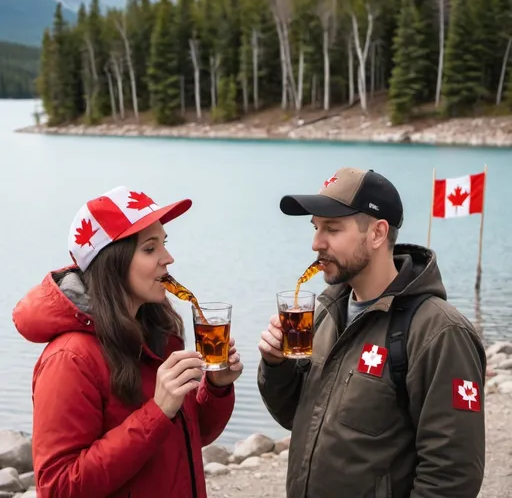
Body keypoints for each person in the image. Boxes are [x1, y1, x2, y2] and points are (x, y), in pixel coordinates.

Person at [257, 167, 486, 498]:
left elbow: (452, 475)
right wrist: (277, 366)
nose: (315, 243)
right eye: (315, 228)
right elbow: (297, 416)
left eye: (332, 229)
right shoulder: (324, 315)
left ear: (378, 233)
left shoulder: (439, 333)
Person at [13, 186, 243, 498]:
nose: (168, 258)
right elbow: (58, 487)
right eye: (150, 249)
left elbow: (189, 436)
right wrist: (157, 410)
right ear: (113, 264)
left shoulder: (157, 333)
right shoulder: (70, 358)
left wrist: (216, 387)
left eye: (164, 244)